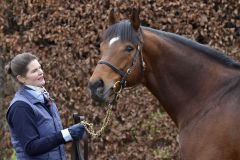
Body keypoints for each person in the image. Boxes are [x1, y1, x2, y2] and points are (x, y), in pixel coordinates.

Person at [5, 52, 85, 160]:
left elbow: (51, 140)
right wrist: (67, 134)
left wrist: (70, 134)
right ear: (21, 78)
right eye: (34, 71)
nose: (41, 72)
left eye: (39, 68)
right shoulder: (20, 107)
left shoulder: (44, 97)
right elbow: (31, 147)